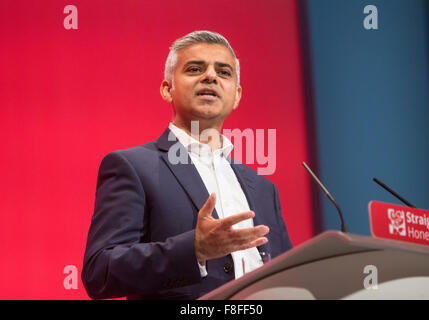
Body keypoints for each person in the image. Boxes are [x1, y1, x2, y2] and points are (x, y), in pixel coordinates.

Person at [81, 30, 292, 300]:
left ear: (237, 95)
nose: (211, 76)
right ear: (168, 89)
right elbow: (100, 272)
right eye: (195, 68)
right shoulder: (133, 166)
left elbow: (287, 273)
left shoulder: (264, 188)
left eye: (224, 72)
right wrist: (194, 250)